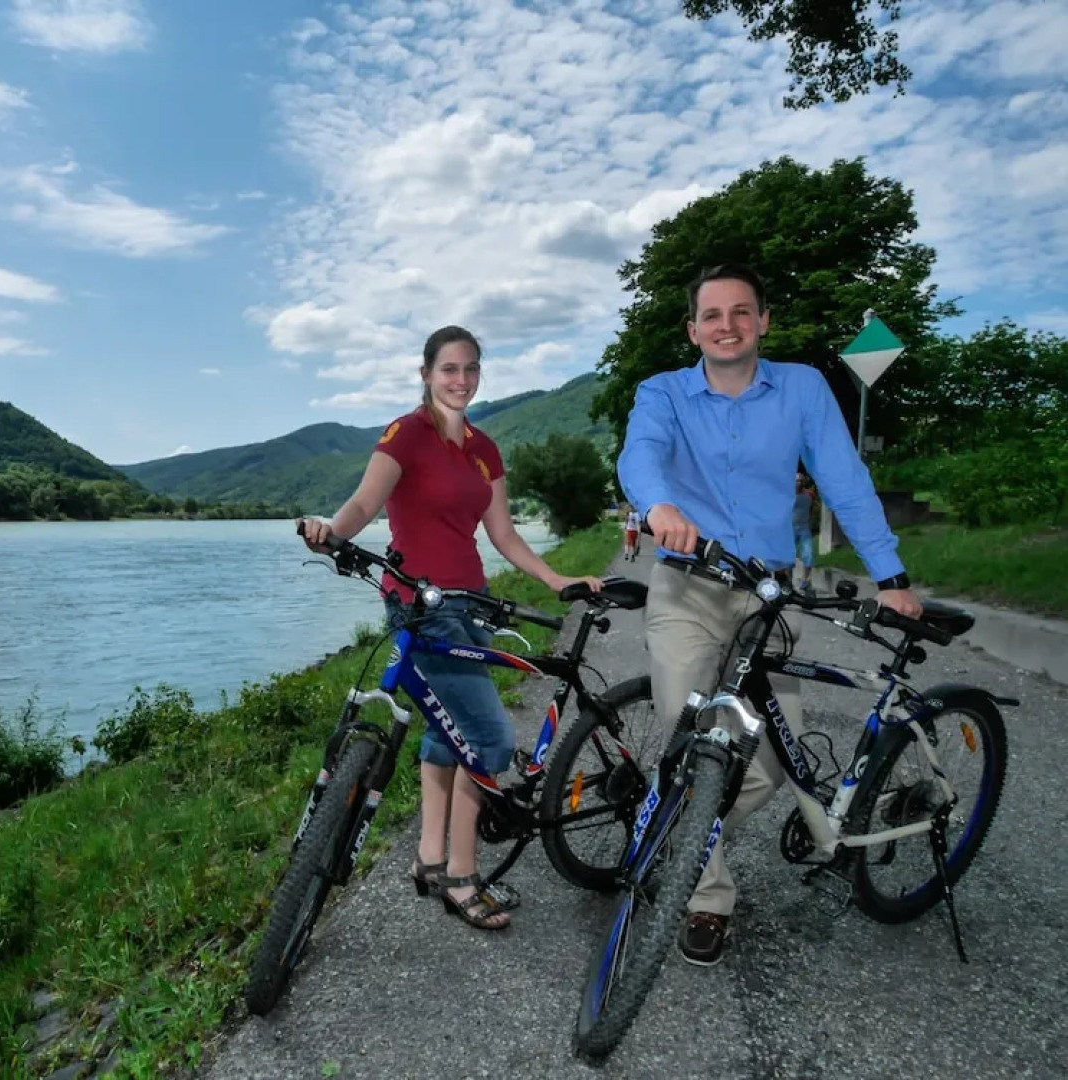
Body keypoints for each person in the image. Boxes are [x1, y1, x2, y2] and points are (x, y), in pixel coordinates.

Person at [616, 262, 923, 967]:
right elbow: (642, 455)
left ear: (763, 321)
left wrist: (892, 576)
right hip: (688, 587)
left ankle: (679, 832)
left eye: (742, 311)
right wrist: (660, 507)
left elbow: (845, 478)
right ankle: (706, 896)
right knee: (690, 738)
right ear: (693, 329)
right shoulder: (662, 392)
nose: (727, 325)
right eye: (713, 315)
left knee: (772, 759)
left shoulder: (804, 389)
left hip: (769, 594)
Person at [300, 325, 602, 931]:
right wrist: (332, 532)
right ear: (426, 374)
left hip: (473, 604)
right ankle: (464, 878)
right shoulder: (405, 435)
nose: (461, 380)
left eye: (470, 370)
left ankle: (430, 858)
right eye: (449, 369)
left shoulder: (485, 448)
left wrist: (557, 580)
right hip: (421, 605)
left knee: (447, 735)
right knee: (488, 742)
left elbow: (504, 534)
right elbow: (364, 503)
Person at [792, 471, 816, 592]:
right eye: (797, 481)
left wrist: (810, 522)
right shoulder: (788, 495)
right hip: (790, 528)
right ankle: (787, 579)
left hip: (804, 527)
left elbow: (811, 509)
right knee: (788, 555)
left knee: (808, 554)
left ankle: (805, 579)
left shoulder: (809, 495)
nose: (799, 483)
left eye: (801, 481)